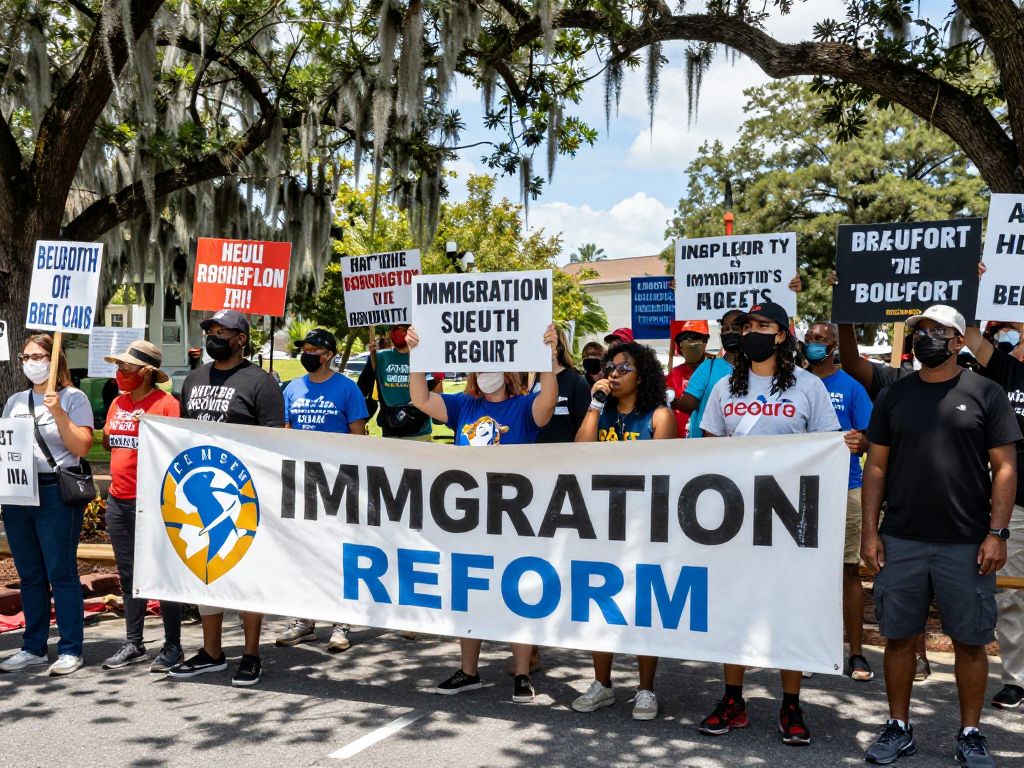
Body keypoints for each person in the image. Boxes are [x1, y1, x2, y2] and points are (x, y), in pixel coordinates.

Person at [861, 305, 1020, 767]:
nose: (924, 337)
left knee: (970, 641)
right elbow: (876, 466)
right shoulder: (894, 395)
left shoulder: (986, 392)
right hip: (903, 537)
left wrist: (997, 532)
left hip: (967, 541)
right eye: (919, 331)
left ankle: (970, 733)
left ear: (957, 341)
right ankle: (898, 727)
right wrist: (871, 532)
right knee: (899, 637)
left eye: (936, 330)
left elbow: (1005, 467)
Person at [697, 302, 840, 746]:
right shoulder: (723, 387)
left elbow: (827, 445)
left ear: (782, 334)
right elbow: (709, 447)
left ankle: (791, 703)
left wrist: (846, 444)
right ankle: (733, 698)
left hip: (791, 519)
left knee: (788, 608)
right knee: (733, 605)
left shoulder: (808, 387)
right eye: (747, 326)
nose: (753, 332)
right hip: (734, 519)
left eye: (763, 326)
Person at [406, 323, 558, 704]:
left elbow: (548, 402)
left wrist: (547, 357)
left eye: (493, 364)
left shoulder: (523, 407)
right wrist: (417, 356)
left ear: (509, 371)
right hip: (470, 519)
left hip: (516, 518)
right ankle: (468, 670)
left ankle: (522, 674)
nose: (485, 371)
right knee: (469, 592)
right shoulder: (463, 405)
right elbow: (421, 400)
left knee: (520, 591)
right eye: (479, 366)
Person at [167, 309, 285, 687]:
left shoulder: (260, 382)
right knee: (207, 570)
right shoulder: (194, 378)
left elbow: (273, 441)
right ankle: (212, 652)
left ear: (241, 339)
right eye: (211, 330)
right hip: (200, 485)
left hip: (243, 492)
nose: (214, 336)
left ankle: (251, 654)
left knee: (247, 575)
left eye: (223, 331)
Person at [570, 341, 677, 720]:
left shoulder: (659, 416)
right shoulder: (601, 412)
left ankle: (646, 689)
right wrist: (594, 407)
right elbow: (580, 453)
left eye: (622, 368)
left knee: (644, 607)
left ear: (642, 375)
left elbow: (663, 474)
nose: (612, 374)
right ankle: (603, 684)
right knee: (601, 602)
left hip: (644, 526)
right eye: (609, 368)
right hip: (601, 524)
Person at [0, 334, 94, 676]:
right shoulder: (15, 401)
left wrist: (57, 412)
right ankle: (33, 647)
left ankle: (70, 649)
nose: (31, 362)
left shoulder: (73, 398)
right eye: (26, 356)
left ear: (55, 360)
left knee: (61, 572)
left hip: (56, 490)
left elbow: (83, 447)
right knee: (29, 574)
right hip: (18, 491)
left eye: (39, 355)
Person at [275, 328, 367, 653]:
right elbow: (287, 433)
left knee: (337, 552)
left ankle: (341, 621)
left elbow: (360, 436)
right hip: (302, 483)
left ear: (328, 354)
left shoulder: (347, 389)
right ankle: (304, 620)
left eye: (314, 348)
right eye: (305, 348)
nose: (307, 353)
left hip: (339, 483)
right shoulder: (292, 388)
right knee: (304, 553)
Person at [100, 340, 183, 673]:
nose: (120, 373)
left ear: (147, 373)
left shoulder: (166, 404)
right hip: (118, 500)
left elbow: (175, 448)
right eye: (119, 368)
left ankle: (173, 645)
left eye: (127, 368)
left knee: (161, 574)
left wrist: (146, 426)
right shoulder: (117, 403)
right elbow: (107, 440)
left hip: (152, 503)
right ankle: (134, 642)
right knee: (128, 573)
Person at [804, 321, 874, 682]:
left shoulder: (852, 387)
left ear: (834, 346)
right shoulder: (794, 384)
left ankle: (857, 654)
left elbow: (871, 439)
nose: (814, 344)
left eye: (821, 340)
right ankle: (808, 647)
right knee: (804, 570)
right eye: (810, 339)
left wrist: (860, 444)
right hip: (801, 490)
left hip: (846, 487)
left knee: (848, 570)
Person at [962, 322, 1024, 711]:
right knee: (1012, 595)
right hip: (1017, 504)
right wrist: (974, 281)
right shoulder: (1009, 371)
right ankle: (1016, 679)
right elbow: (970, 337)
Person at [363, 324, 444, 441]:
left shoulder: (426, 358)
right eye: (395, 328)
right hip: (391, 432)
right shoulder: (378, 357)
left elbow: (437, 395)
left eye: (403, 329)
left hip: (419, 432)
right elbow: (363, 387)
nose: (398, 332)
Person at [677, 309, 743, 438]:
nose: (729, 332)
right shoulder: (708, 367)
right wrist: (674, 401)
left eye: (735, 328)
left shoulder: (758, 369)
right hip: (706, 444)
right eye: (725, 329)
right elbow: (688, 404)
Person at [533, 326, 591, 444]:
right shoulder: (529, 380)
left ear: (559, 347)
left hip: (565, 457)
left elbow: (584, 428)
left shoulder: (578, 382)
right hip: (533, 454)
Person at [666, 320, 711, 437]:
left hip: (708, 441)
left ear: (705, 342)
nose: (688, 341)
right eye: (684, 338)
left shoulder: (714, 370)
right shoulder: (672, 375)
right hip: (678, 444)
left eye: (694, 337)